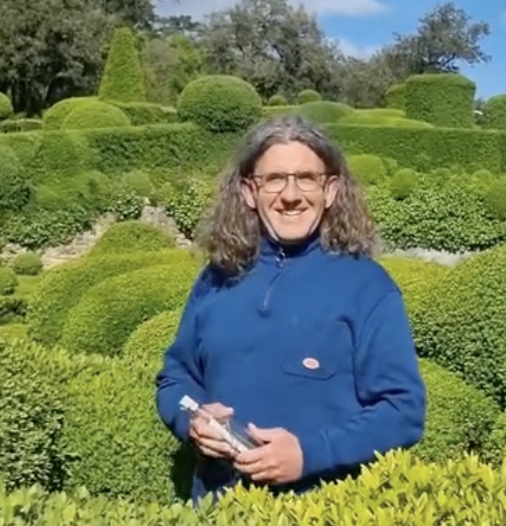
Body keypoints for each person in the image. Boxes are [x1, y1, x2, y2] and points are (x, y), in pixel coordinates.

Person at [156, 115, 426, 505]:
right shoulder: (217, 278)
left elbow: (403, 412)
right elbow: (174, 383)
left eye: (306, 178)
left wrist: (309, 455)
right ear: (250, 191)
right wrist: (192, 420)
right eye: (274, 179)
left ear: (330, 190)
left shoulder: (367, 288)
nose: (291, 194)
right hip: (216, 518)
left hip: (321, 523)